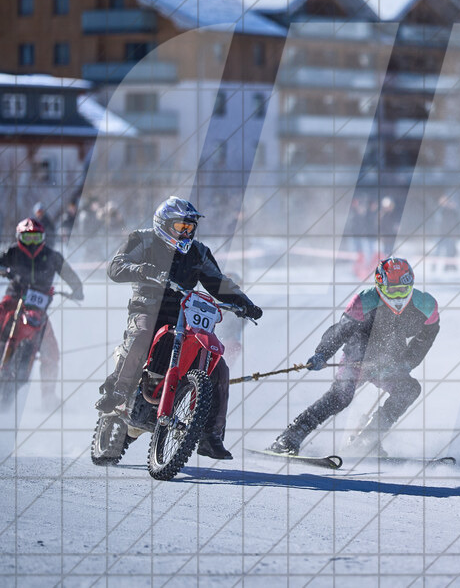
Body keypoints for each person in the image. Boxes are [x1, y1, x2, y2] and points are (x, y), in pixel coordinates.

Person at [95, 197, 263, 460]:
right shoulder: (143, 240)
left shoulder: (198, 252)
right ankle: (118, 390)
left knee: (218, 366)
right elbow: (116, 266)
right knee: (142, 334)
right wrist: (139, 269)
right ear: (163, 224)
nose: (186, 232)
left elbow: (218, 282)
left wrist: (246, 303)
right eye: (180, 227)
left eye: (189, 228)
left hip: (184, 315)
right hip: (147, 309)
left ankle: (211, 435)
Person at [268, 257, 439, 457]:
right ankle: (289, 437)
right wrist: (322, 353)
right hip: (357, 357)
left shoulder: (426, 305)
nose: (399, 296)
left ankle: (367, 440)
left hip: (388, 363)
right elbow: (340, 331)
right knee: (341, 396)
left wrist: (407, 363)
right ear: (379, 286)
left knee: (409, 389)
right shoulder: (364, 301)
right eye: (393, 290)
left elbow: (426, 338)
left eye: (404, 289)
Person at [0, 218, 84, 408]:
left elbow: (71, 276)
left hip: (37, 312)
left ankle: (48, 398)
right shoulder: (12, 252)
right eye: (27, 238)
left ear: (43, 238)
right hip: (12, 303)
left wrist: (77, 290)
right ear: (19, 237)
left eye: (36, 238)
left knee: (51, 353)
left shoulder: (53, 256)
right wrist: (5, 270)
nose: (32, 243)